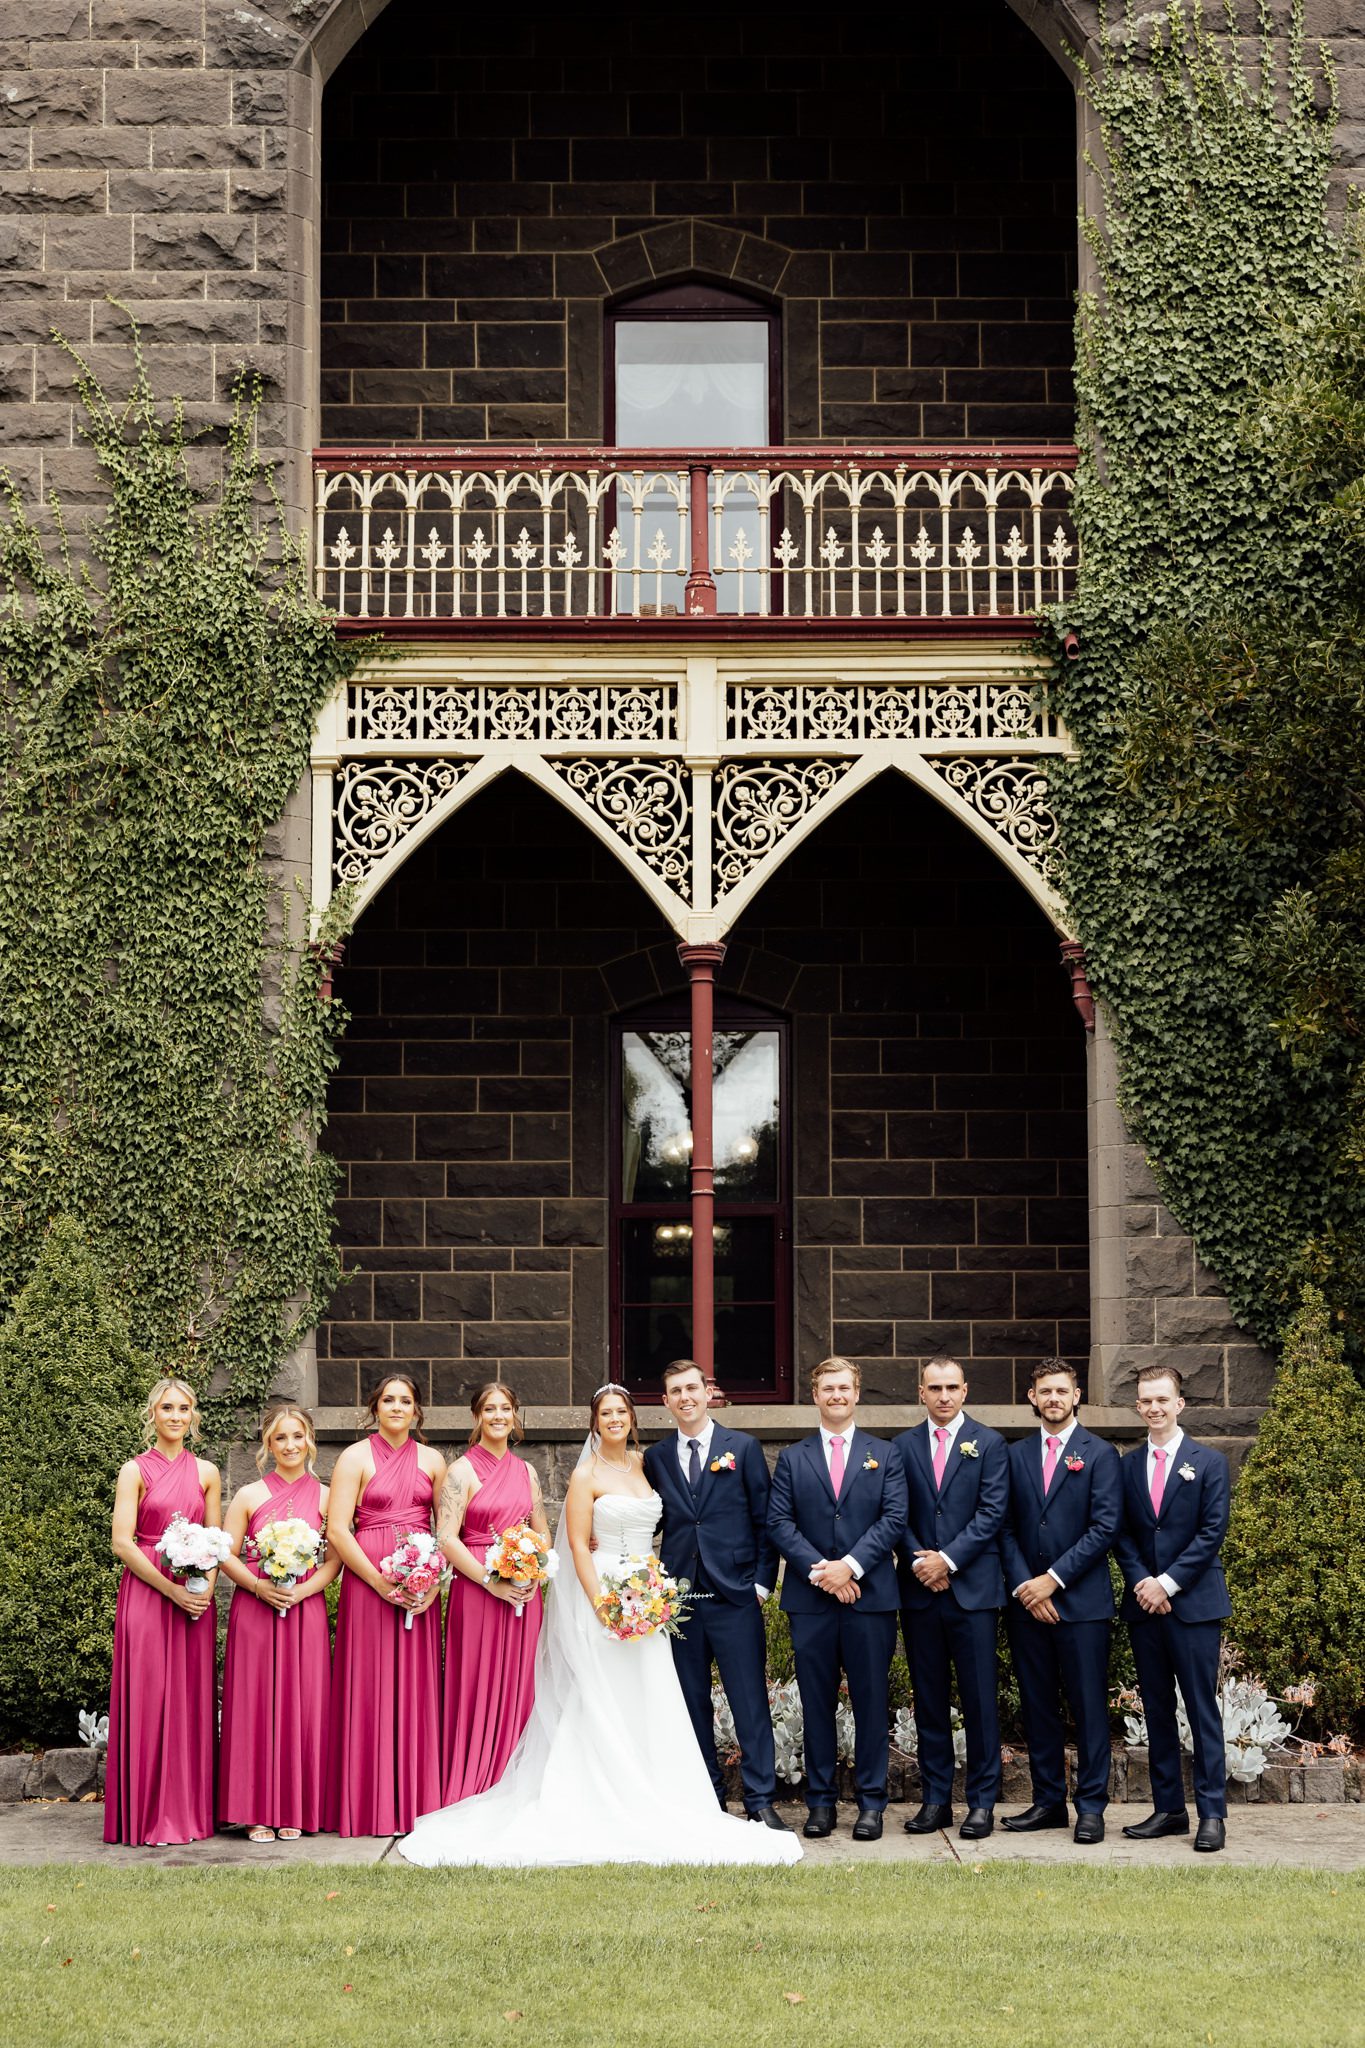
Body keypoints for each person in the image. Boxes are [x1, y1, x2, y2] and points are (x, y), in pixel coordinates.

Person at [398, 1383, 802, 1867]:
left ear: (632, 1418)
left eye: (621, 1412)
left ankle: (677, 1797)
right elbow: (576, 1544)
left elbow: (668, 1520)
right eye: (605, 1413)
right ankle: (600, 1797)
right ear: (595, 1422)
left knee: (652, 1696)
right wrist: (603, 1605)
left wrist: (651, 1591)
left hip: (650, 1595)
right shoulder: (585, 1474)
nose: (614, 1419)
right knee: (604, 1699)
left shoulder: (648, 1465)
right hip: (606, 1596)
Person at [642, 1357, 789, 1830]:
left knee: (749, 1701)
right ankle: (708, 1795)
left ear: (708, 1393)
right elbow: (652, 1521)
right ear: (665, 1402)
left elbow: (765, 1520)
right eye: (676, 1392)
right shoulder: (656, 1458)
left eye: (692, 1388)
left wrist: (761, 1584)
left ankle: (760, 1799)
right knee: (691, 1702)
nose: (685, 1398)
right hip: (680, 1601)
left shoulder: (741, 1448)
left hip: (735, 1596)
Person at [767, 1358, 907, 1842]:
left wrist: (851, 1566)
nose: (836, 1396)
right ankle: (821, 1803)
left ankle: (871, 1804)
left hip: (870, 1599)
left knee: (870, 1702)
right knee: (816, 1703)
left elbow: (894, 1518)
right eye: (828, 1388)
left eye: (844, 1387)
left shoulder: (885, 1454)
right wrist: (825, 1573)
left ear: (857, 1393)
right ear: (815, 1395)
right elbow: (779, 1522)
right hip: (812, 1602)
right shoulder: (793, 1458)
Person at [999, 1359, 1121, 1844]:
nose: (1053, 1398)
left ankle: (1091, 1807)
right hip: (1027, 1604)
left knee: (1088, 1707)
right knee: (1038, 1706)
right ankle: (1048, 1802)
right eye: (1045, 1391)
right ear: (1032, 1397)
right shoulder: (1015, 1455)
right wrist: (1026, 1586)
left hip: (1082, 1605)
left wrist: (1052, 1580)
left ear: (1076, 1396)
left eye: (1062, 1391)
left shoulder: (1100, 1454)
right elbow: (1004, 1527)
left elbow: (1104, 1527)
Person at [1115, 1364, 1232, 1854]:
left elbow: (1211, 1532)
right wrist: (1143, 1582)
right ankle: (1169, 1810)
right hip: (1145, 1606)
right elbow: (1120, 1531)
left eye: (1162, 1399)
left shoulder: (1209, 1462)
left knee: (1201, 1710)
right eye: (1146, 1400)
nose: (1154, 1408)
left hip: (1194, 1605)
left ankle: (1212, 1813)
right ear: (1138, 1406)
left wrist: (1167, 1583)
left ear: (1179, 1404)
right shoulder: (1126, 1466)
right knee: (1157, 1709)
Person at [324, 1373, 446, 1837]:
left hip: (420, 1585)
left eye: (406, 1401)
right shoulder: (354, 1457)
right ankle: (367, 1802)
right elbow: (338, 1530)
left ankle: (417, 1802)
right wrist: (376, 1580)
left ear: (417, 1410)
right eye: (389, 1400)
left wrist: (433, 1584)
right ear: (375, 1407)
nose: (397, 1407)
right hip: (367, 1581)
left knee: (415, 1686)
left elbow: (445, 1530)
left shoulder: (433, 1460)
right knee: (369, 1682)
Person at [895, 1353, 1008, 1840]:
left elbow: (992, 1512)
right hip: (920, 1592)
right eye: (934, 1388)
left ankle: (981, 1803)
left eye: (952, 1388)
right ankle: (936, 1799)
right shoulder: (901, 1447)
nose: (943, 1396)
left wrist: (948, 1560)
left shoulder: (990, 1443)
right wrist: (922, 1563)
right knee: (930, 1699)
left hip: (973, 1593)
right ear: (921, 1393)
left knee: (980, 1701)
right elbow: (895, 1513)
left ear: (965, 1391)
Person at [104, 1377, 221, 1846]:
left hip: (194, 1596)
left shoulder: (207, 1472)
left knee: (191, 1700)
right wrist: (170, 1590)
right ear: (152, 1413)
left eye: (184, 1408)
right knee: (149, 1697)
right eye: (167, 1408)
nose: (176, 1416)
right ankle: (146, 1814)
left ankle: (188, 1813)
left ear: (193, 1417)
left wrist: (203, 1590)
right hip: (149, 1593)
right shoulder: (133, 1470)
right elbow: (122, 1542)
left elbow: (216, 1541)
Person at [218, 1403, 340, 1842]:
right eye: (280, 1438)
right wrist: (257, 1586)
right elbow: (226, 1553)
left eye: (297, 1436)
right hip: (256, 1608)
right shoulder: (249, 1495)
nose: (290, 1445)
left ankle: (298, 1806)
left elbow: (335, 1560)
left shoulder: (328, 1496)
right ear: (268, 1445)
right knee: (255, 1704)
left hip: (305, 1607)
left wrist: (304, 1592)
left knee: (304, 1703)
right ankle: (255, 1810)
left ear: (310, 1440)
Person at [435, 1381, 549, 1803]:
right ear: (476, 1416)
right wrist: (491, 1581)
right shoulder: (460, 1471)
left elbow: (543, 1532)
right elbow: (446, 1538)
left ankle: (518, 1782)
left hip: (523, 1591)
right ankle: (475, 1781)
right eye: (490, 1409)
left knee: (522, 1683)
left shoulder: (527, 1472)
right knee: (476, 1683)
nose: (498, 1416)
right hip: (478, 1590)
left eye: (505, 1408)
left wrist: (534, 1569)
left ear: (515, 1414)